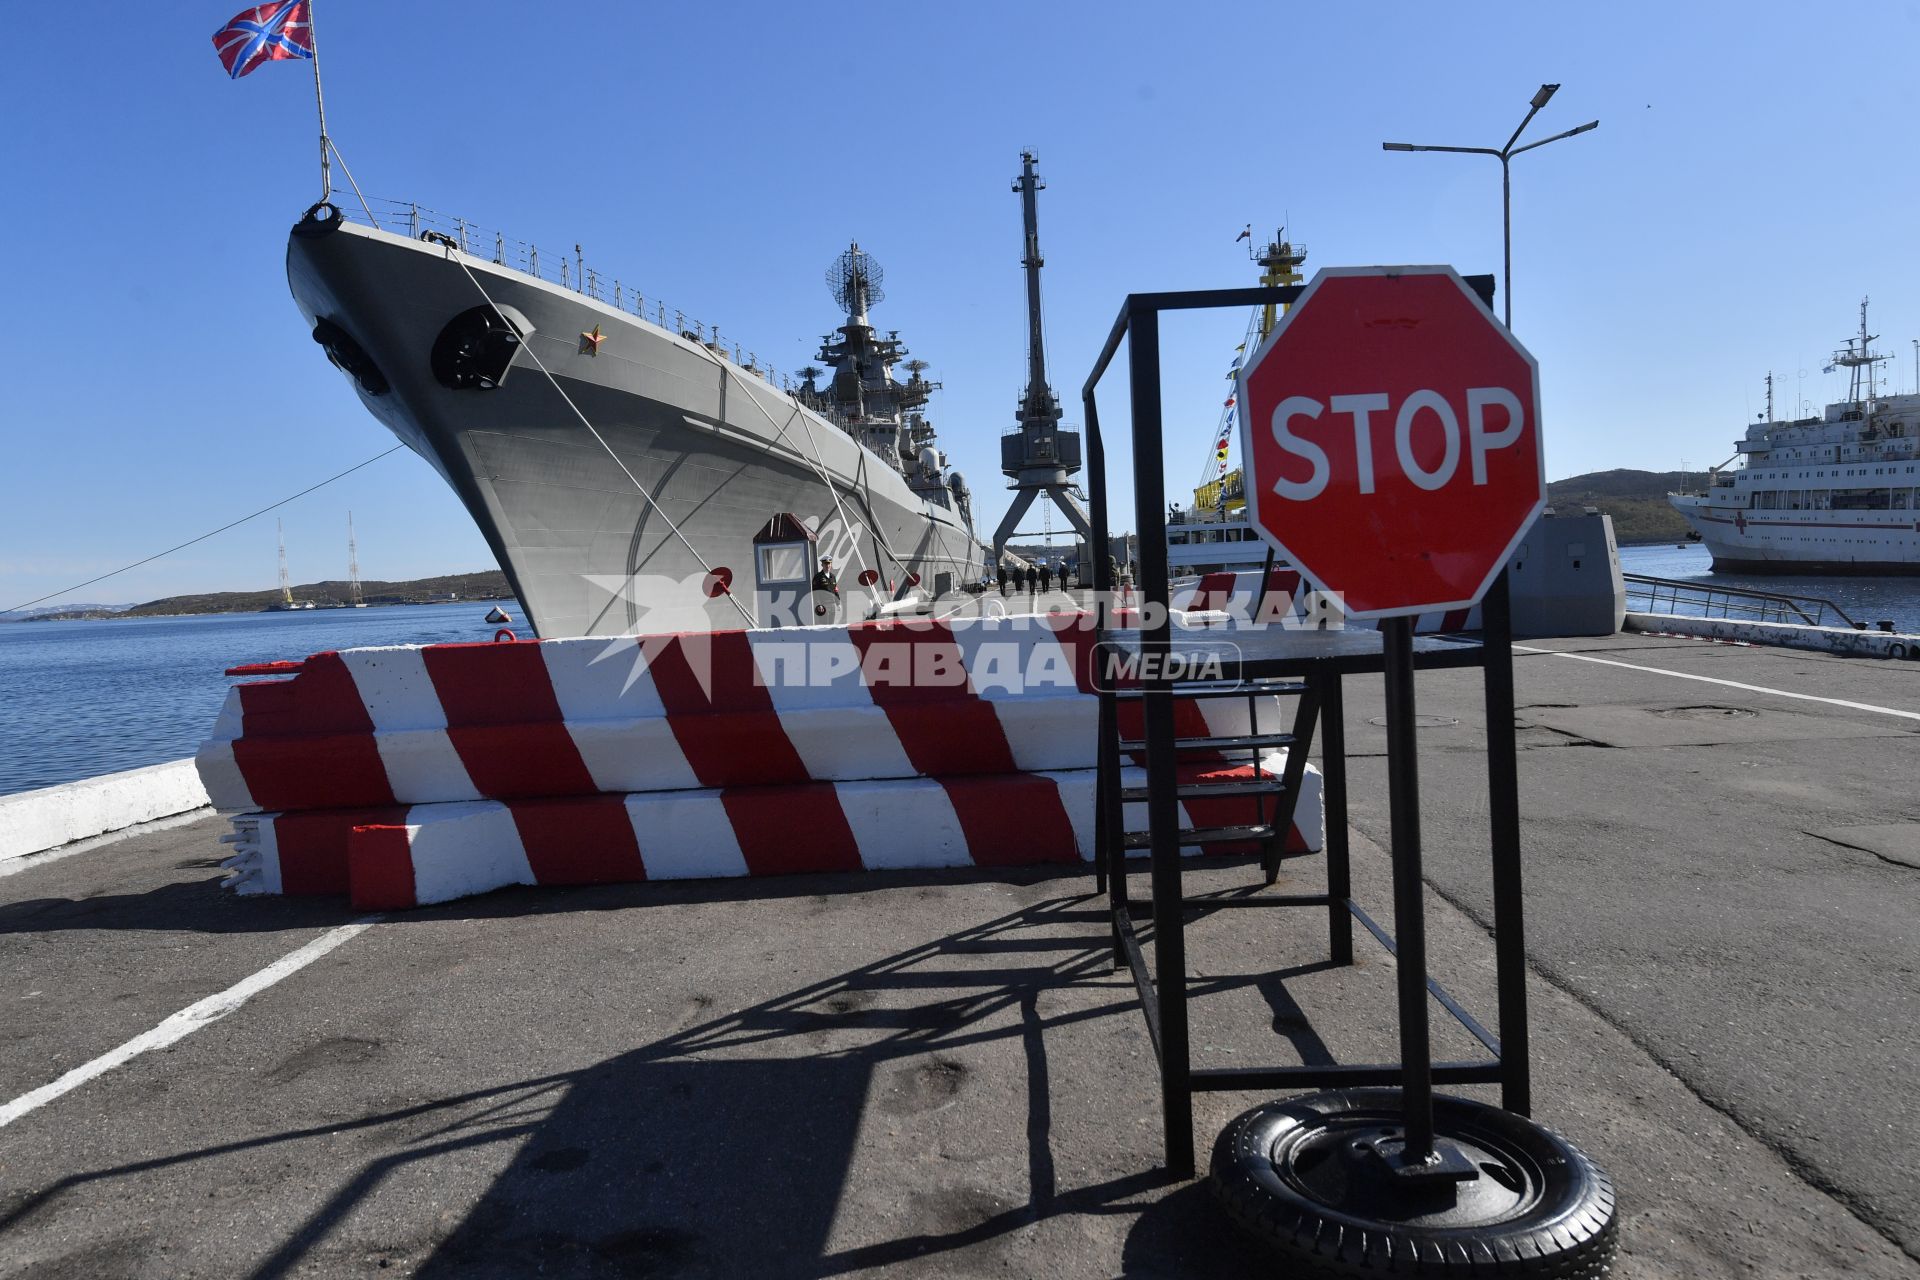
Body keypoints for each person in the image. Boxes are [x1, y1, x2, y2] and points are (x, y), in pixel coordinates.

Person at [810, 555, 840, 623]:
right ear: (822, 565)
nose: (828, 565)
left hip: (832, 605)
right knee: (824, 626)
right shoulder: (818, 577)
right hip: (823, 605)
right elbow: (815, 592)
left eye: (829, 563)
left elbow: (835, 590)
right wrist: (818, 604)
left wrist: (838, 603)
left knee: (831, 626)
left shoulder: (833, 577)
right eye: (826, 564)